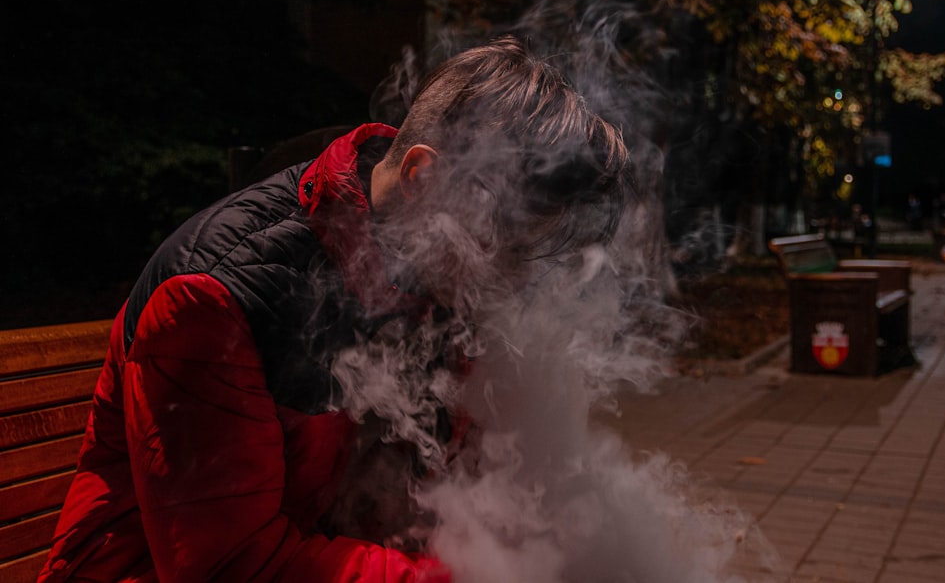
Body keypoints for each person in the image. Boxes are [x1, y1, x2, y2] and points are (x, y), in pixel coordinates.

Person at [38, 36, 630, 582]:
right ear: (425, 179)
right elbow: (232, 567)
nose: (519, 281)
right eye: (511, 247)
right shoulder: (215, 300)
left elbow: (457, 473)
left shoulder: (435, 276)